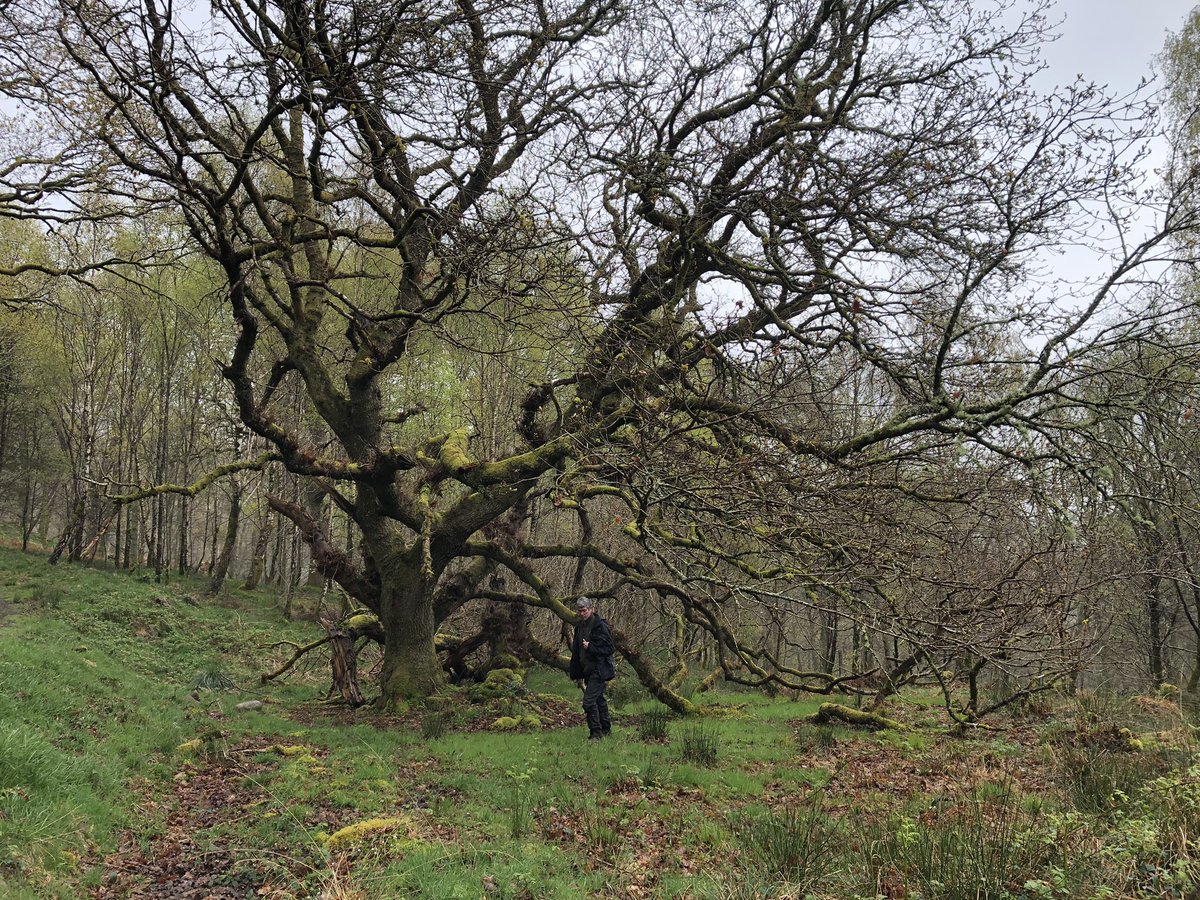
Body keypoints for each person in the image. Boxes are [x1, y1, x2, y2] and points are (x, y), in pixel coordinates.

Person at [568, 596, 615, 740]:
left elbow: (609, 648)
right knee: (599, 699)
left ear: (591, 609)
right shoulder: (579, 627)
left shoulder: (600, 626)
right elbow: (577, 651)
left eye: (584, 610)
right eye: (579, 611)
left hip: (599, 669)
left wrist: (591, 647)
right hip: (587, 669)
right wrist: (576, 671)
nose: (582, 614)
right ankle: (606, 729)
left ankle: (596, 733)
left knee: (588, 702)